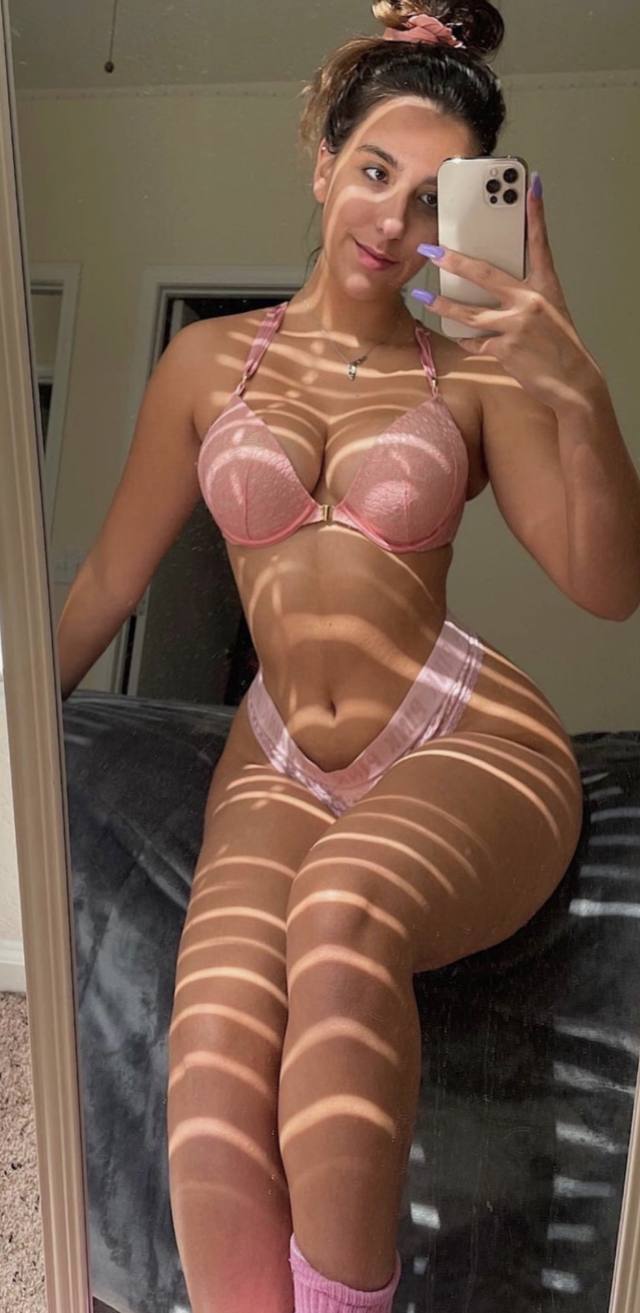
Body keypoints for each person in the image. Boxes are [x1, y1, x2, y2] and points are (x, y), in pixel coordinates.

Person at [56, 3, 640, 1312]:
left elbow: (609, 588)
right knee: (212, 1052)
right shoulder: (205, 363)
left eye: (437, 197)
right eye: (376, 170)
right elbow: (105, 581)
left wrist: (574, 384)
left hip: (460, 733)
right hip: (277, 754)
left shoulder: (478, 372)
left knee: (342, 908)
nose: (396, 218)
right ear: (323, 163)